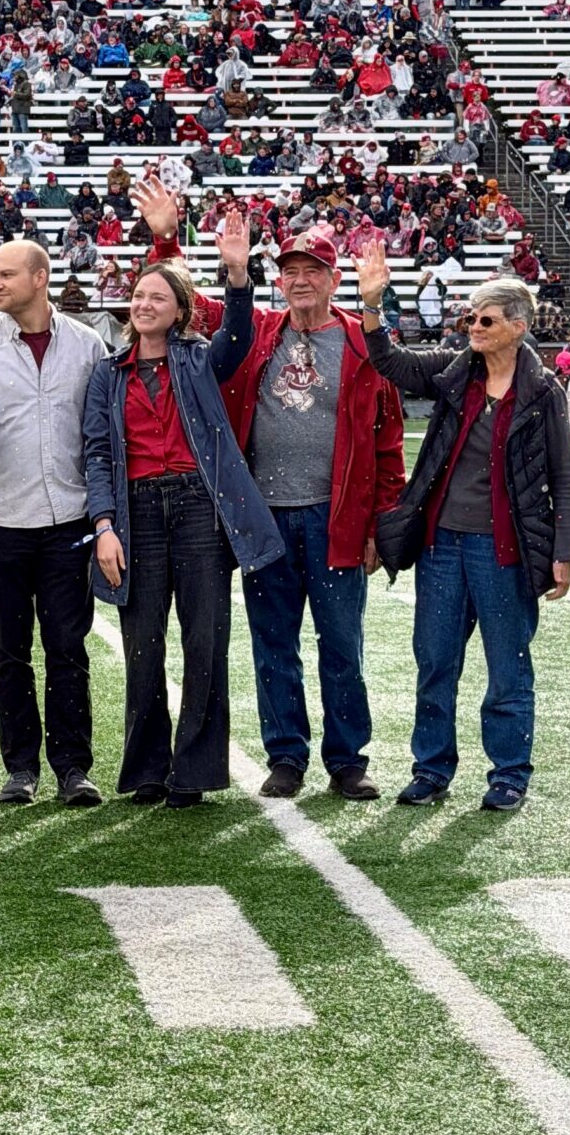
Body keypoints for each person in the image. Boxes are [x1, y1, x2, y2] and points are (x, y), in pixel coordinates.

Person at [134, 180, 405, 801]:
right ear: (278, 279)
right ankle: (287, 754)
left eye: (314, 270)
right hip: (264, 520)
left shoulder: (364, 344)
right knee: (272, 641)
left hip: (335, 518)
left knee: (342, 643)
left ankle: (347, 759)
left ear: (335, 279)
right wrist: (167, 238)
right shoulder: (255, 328)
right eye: (291, 270)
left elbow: (387, 442)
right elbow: (186, 306)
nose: (301, 280)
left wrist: (377, 527)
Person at [358, 254, 570, 813]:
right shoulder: (457, 372)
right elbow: (392, 362)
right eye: (470, 319)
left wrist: (564, 552)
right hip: (441, 546)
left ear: (517, 326)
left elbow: (562, 476)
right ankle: (431, 769)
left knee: (507, 667)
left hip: (504, 550)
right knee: (434, 662)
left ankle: (508, 775)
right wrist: (372, 304)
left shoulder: (544, 391)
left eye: (485, 320)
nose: (473, 328)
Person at [82, 209, 283, 807]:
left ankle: (194, 772)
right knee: (143, 646)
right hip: (134, 514)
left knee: (204, 641)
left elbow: (241, 336)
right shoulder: (106, 374)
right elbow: (96, 454)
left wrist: (237, 272)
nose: (144, 305)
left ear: (180, 309)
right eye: (138, 295)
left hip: (199, 511)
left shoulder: (200, 360)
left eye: (157, 297)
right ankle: (146, 769)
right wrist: (103, 527)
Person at [0, 236, 107, 809]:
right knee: (11, 649)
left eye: (8, 274)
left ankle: (73, 767)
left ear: (41, 278)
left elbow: (99, 431)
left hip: (69, 516)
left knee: (68, 647)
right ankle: (21, 769)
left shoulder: (87, 345)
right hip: (3, 517)